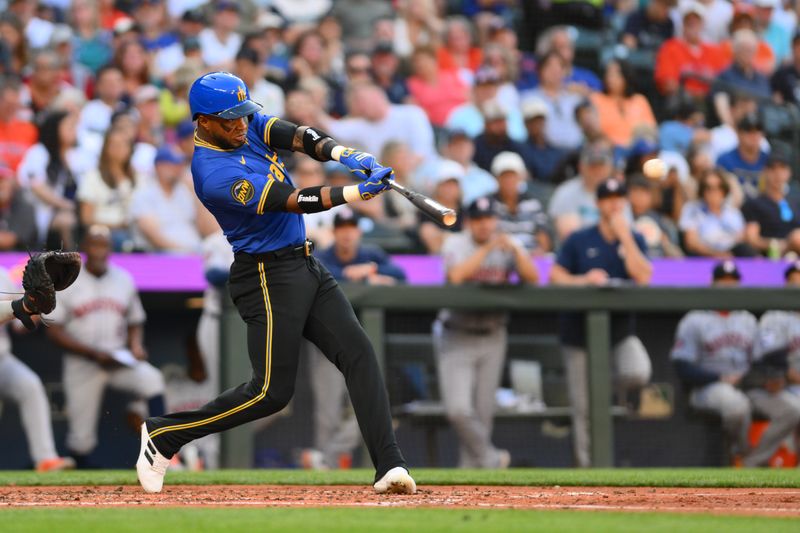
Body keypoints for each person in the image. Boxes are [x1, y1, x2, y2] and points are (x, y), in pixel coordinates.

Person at [137, 72, 415, 495]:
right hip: (264, 275)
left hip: (304, 263)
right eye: (229, 119)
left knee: (358, 352)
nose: (241, 125)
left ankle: (390, 465)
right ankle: (163, 435)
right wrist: (355, 193)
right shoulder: (212, 171)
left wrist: (345, 153)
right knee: (270, 393)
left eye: (243, 115)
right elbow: (290, 199)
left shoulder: (244, 126)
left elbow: (297, 135)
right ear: (203, 121)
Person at [549, 178, 653, 467]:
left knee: (638, 371)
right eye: (608, 198)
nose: (614, 203)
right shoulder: (579, 238)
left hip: (618, 332)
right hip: (579, 334)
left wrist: (626, 237)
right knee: (584, 409)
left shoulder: (634, 237)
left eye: (619, 197)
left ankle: (605, 387)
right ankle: (589, 469)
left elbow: (644, 277)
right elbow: (555, 276)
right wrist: (584, 280)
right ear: (598, 204)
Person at [45, 225, 166, 468]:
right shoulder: (68, 282)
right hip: (83, 361)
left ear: (110, 249)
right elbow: (54, 330)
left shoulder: (123, 279)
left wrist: (135, 345)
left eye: (104, 245)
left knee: (152, 380)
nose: (99, 251)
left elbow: (135, 321)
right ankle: (79, 485)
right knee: (81, 438)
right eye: (94, 244)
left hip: (117, 358)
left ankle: (163, 449)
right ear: (85, 248)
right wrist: (91, 353)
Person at [434, 196, 539, 468]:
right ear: (469, 222)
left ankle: (472, 478)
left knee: (483, 415)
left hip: (493, 333)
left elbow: (534, 278)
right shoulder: (456, 242)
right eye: (478, 219)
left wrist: (515, 251)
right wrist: (489, 247)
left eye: (488, 219)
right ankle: (492, 459)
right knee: (458, 410)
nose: (484, 224)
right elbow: (456, 276)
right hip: (458, 332)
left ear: (496, 220)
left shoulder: (508, 245)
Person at [300, 208, 406, 469]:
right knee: (328, 414)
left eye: (352, 228)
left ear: (358, 231)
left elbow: (401, 275)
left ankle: (325, 460)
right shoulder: (323, 256)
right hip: (328, 343)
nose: (347, 233)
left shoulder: (370, 255)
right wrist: (350, 274)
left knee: (370, 405)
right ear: (334, 232)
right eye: (342, 228)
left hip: (363, 343)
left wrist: (373, 272)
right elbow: (312, 278)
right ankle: (324, 472)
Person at [671, 260, 800, 466]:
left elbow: (761, 360)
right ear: (712, 284)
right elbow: (682, 366)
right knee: (736, 406)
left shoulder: (747, 319)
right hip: (710, 386)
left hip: (746, 385)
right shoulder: (694, 318)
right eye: (723, 281)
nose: (728, 286)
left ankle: (751, 462)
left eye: (733, 282)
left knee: (793, 409)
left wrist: (768, 378)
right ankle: (741, 451)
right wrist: (719, 377)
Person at [0, 265, 75, 472]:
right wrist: (21, 306)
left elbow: (22, 322)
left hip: (2, 360)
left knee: (30, 386)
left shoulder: (2, 275)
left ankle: (46, 459)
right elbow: (18, 308)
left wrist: (37, 301)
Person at [129, 146, 201, 253]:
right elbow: (155, 237)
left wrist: (197, 191)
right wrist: (187, 252)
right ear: (159, 166)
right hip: (162, 257)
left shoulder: (185, 191)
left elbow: (202, 225)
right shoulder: (144, 194)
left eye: (180, 164)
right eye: (174, 165)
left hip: (195, 252)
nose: (178, 169)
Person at [77, 127, 138, 251]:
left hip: (135, 228)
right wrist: (117, 225)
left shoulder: (138, 178)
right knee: (122, 240)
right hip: (103, 232)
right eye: (114, 144)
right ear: (105, 148)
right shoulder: (93, 177)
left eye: (123, 144)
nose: (118, 149)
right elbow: (86, 218)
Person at [654, 2, 726, 98]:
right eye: (688, 21)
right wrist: (695, 94)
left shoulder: (714, 51)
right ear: (683, 24)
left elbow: (723, 85)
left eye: (696, 21)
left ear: (703, 24)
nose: (692, 23)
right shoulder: (670, 47)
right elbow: (668, 85)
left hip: (710, 103)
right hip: (682, 101)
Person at [548, 143, 615, 242]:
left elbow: (626, 227)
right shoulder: (566, 192)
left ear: (609, 168)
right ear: (581, 167)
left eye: (601, 165)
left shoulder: (616, 191)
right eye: (592, 166)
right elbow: (569, 236)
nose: (597, 170)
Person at [679, 169, 754, 257]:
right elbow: (691, 243)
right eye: (708, 188)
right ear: (702, 190)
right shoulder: (692, 209)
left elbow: (742, 238)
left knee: (745, 250)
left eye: (718, 187)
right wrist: (717, 254)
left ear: (724, 190)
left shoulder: (733, 213)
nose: (713, 192)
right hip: (704, 255)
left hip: (732, 254)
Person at [490, 151, 551, 253]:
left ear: (520, 177)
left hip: (531, 256)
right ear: (497, 178)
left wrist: (540, 251)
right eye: (504, 176)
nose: (509, 180)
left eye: (512, 175)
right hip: (500, 257)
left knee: (547, 265)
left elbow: (543, 235)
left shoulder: (533, 204)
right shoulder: (489, 204)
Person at [742, 148, 800, 257]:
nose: (777, 173)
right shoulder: (754, 203)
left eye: (782, 168)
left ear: (789, 172)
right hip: (772, 255)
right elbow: (752, 239)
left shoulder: (796, 201)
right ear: (765, 171)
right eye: (773, 169)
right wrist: (780, 244)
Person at [756, 261, 800, 396]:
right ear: (786, 284)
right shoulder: (773, 317)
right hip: (785, 386)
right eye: (795, 281)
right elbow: (770, 357)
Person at [590, 59, 656, 149]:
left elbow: (651, 130)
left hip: (637, 150)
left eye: (615, 74)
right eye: (608, 73)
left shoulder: (639, 100)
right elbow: (593, 130)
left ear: (626, 76)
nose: (610, 78)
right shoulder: (596, 99)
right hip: (609, 148)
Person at [716, 113, 769, 198]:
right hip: (734, 208)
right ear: (738, 134)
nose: (754, 135)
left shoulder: (769, 161)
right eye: (749, 131)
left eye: (757, 131)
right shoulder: (724, 160)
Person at [0, 76, 37, 173]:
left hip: (20, 182)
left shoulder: (29, 129)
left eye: (14, 105)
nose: (10, 109)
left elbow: (33, 162)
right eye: (7, 104)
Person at [0, 161, 36, 250]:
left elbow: (8, 241)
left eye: (2, 180)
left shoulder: (24, 206)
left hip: (20, 260)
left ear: (12, 182)